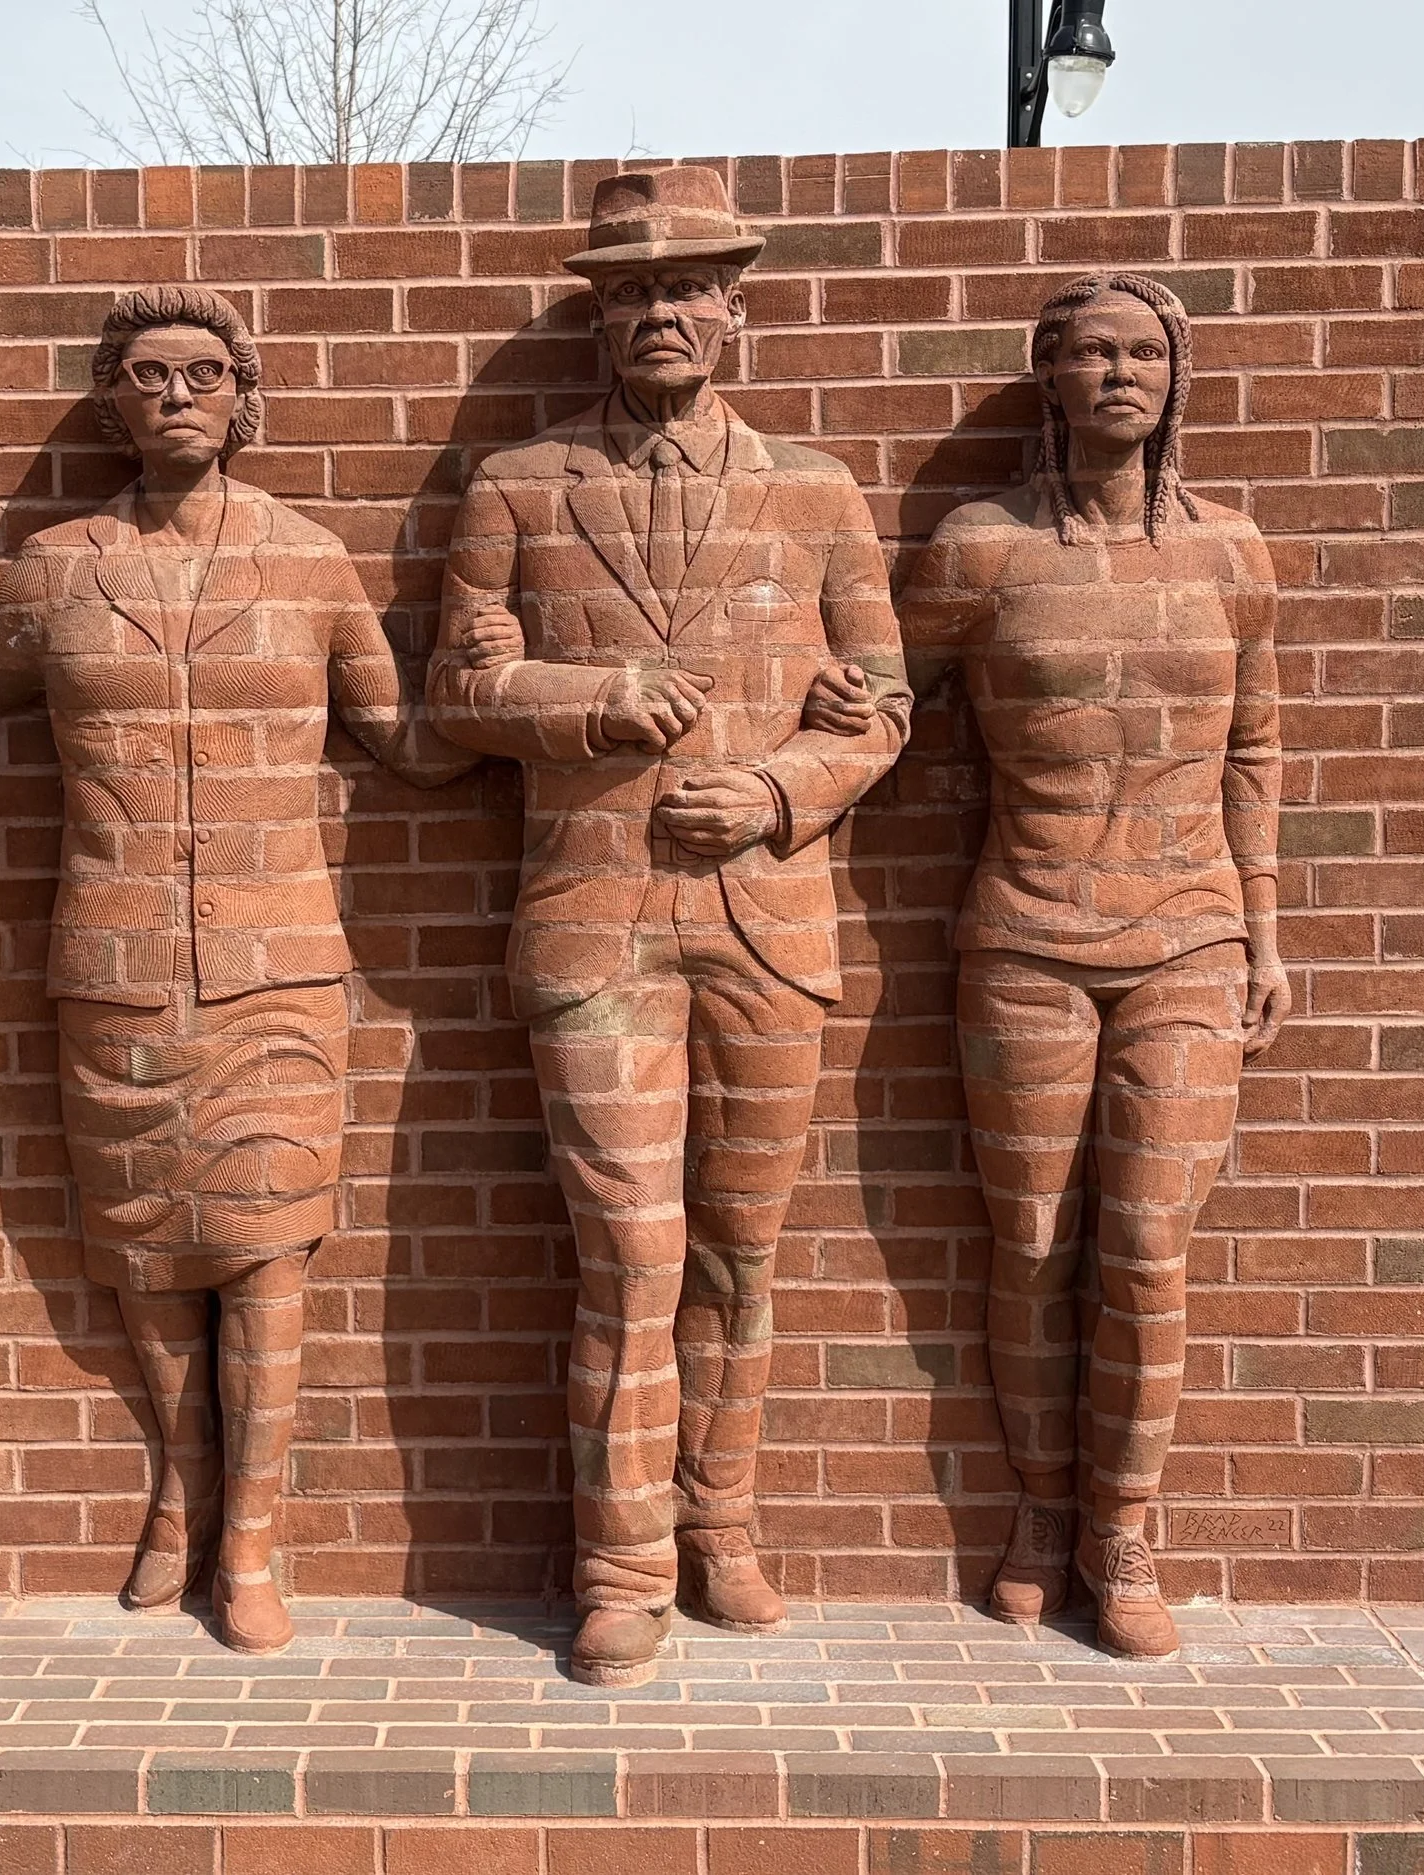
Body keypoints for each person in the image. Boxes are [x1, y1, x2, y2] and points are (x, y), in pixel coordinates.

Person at [427, 168, 913, 1688]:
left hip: (767, 919)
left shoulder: (816, 493)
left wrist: (776, 790)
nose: (658, 313)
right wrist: (589, 702)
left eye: (685, 288)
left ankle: (723, 1523)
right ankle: (621, 1563)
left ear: (733, 312)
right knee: (629, 1256)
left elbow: (886, 702)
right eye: (630, 291)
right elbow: (458, 688)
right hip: (595, 920)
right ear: (600, 316)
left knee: (743, 1251)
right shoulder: (519, 485)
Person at [0, 285, 480, 1655]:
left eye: (204, 373)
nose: (176, 395)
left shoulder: (308, 562)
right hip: (116, 958)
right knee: (145, 1252)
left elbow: (409, 737)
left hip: (278, 969)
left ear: (243, 398)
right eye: (147, 374)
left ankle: (251, 1537)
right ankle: (179, 1492)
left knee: (266, 1250)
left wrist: (541, 690)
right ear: (111, 400)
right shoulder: (53, 570)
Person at [807, 271, 1285, 1660]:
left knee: (1145, 1248)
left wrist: (1265, 928)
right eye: (1090, 351)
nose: (1119, 372)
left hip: (1190, 935)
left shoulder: (1231, 555)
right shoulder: (983, 549)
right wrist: (836, 702)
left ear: (1175, 378)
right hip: (1023, 937)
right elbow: (888, 695)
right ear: (1050, 376)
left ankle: (1122, 1530)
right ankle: (1035, 1507)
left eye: (1144, 351)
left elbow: (1256, 749)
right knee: (1027, 1242)